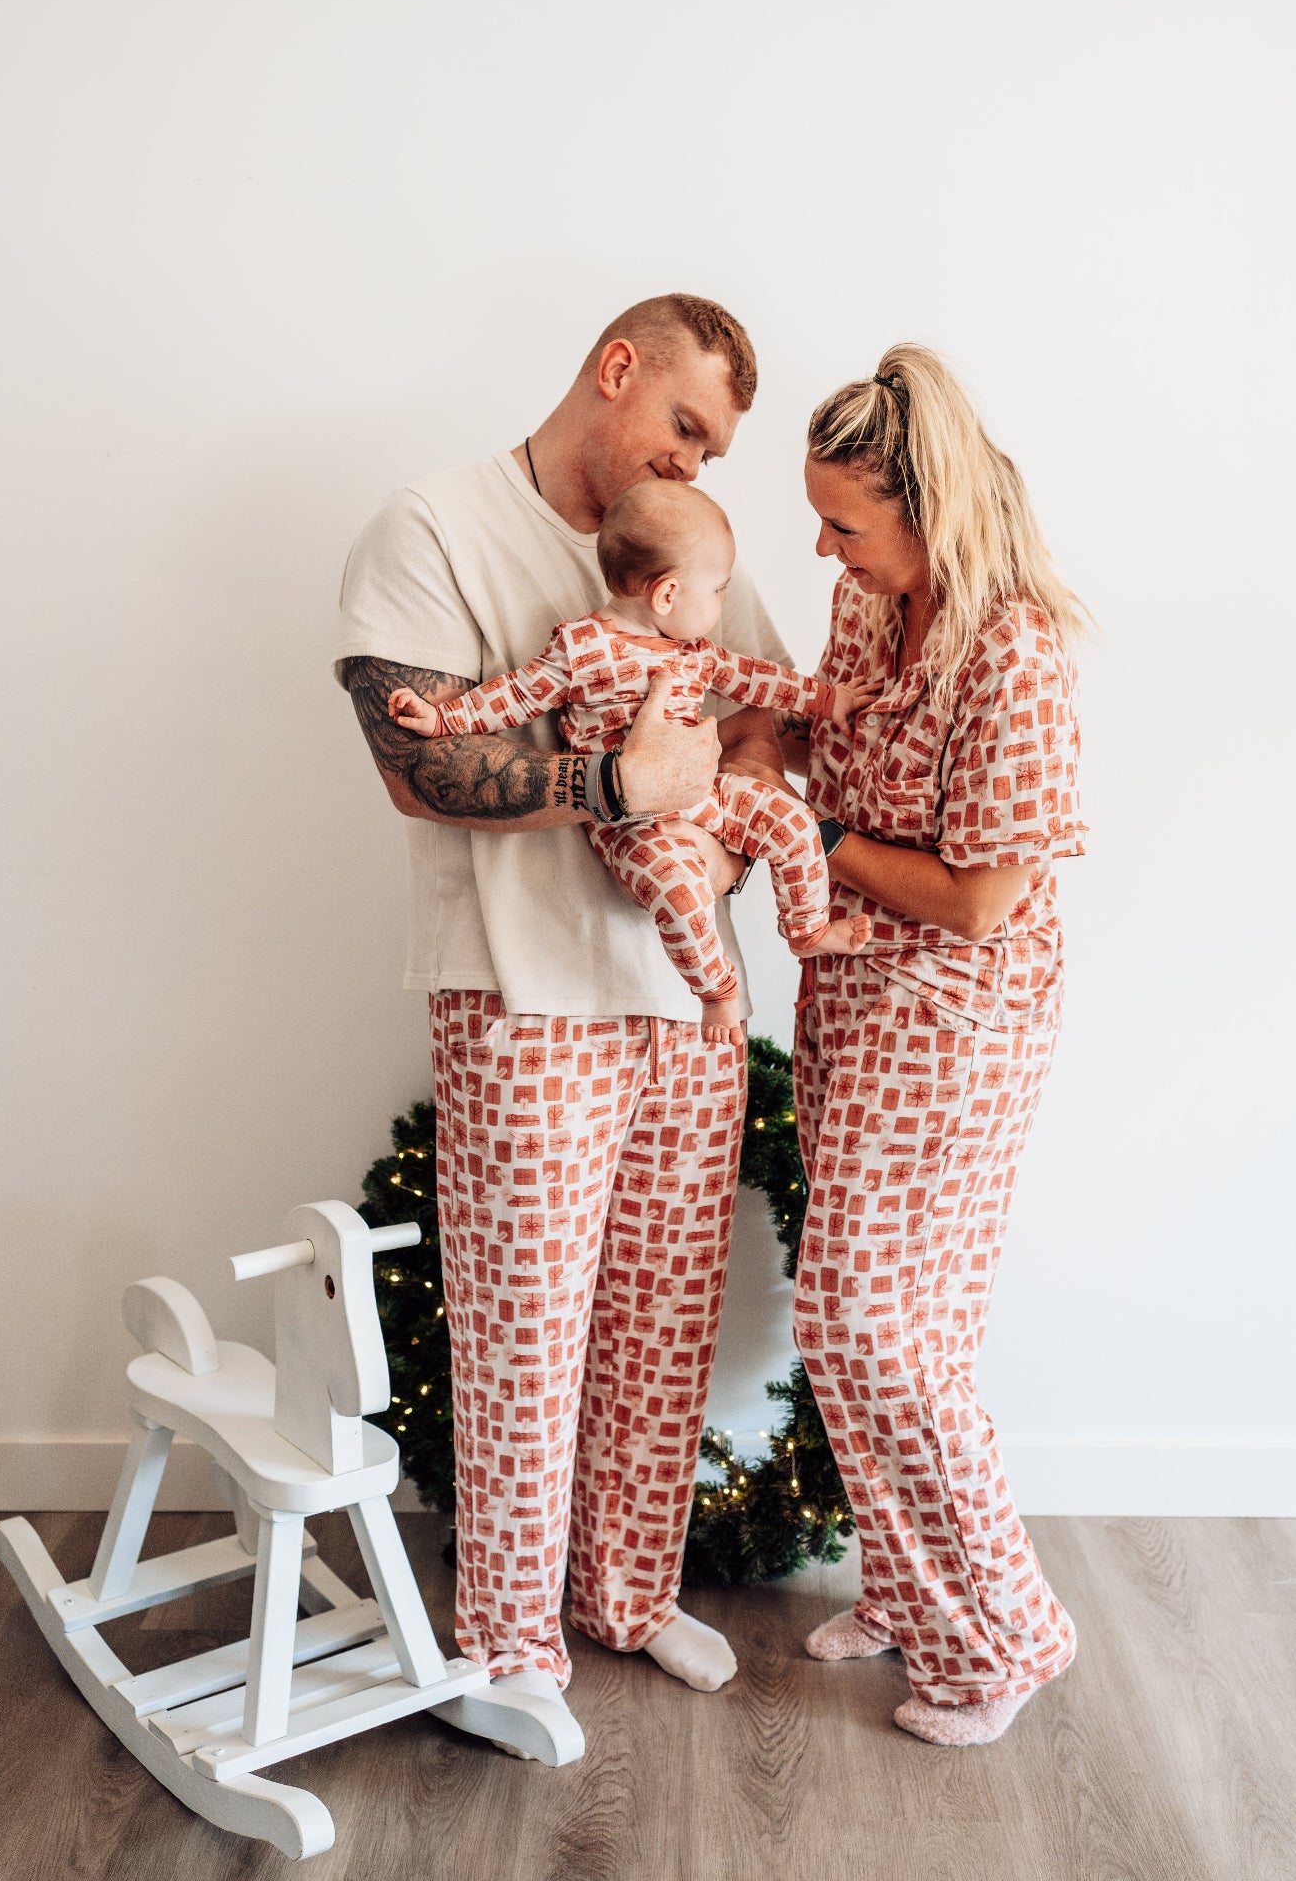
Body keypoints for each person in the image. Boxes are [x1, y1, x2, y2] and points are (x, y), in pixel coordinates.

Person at [334, 294, 784, 1746]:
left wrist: (712, 841)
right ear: (616, 372)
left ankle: (629, 1594)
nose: (697, 470)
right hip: (523, 999)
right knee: (525, 1327)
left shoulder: (684, 551)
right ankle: (510, 1639)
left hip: (685, 995)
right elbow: (416, 763)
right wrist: (608, 790)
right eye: (687, 429)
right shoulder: (432, 526)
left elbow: (760, 704)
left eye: (715, 452)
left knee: (663, 1315)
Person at [773, 343, 1088, 1747]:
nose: (823, 545)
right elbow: (825, 739)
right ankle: (908, 1594)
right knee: (858, 1327)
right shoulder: (862, 600)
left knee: (883, 1330)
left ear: (929, 508)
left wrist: (818, 838)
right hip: (849, 990)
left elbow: (978, 897)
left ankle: (1012, 1632)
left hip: (958, 1019)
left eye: (845, 519)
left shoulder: (1013, 652)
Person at [386, 476, 874, 1046]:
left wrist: (826, 699)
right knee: (679, 890)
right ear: (667, 595)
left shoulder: (694, 654)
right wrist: (442, 718)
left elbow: (756, 678)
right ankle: (717, 991)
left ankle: (808, 928)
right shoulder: (584, 649)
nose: (722, 602)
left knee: (792, 823)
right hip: (633, 825)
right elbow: (515, 694)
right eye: (717, 589)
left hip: (705, 792)